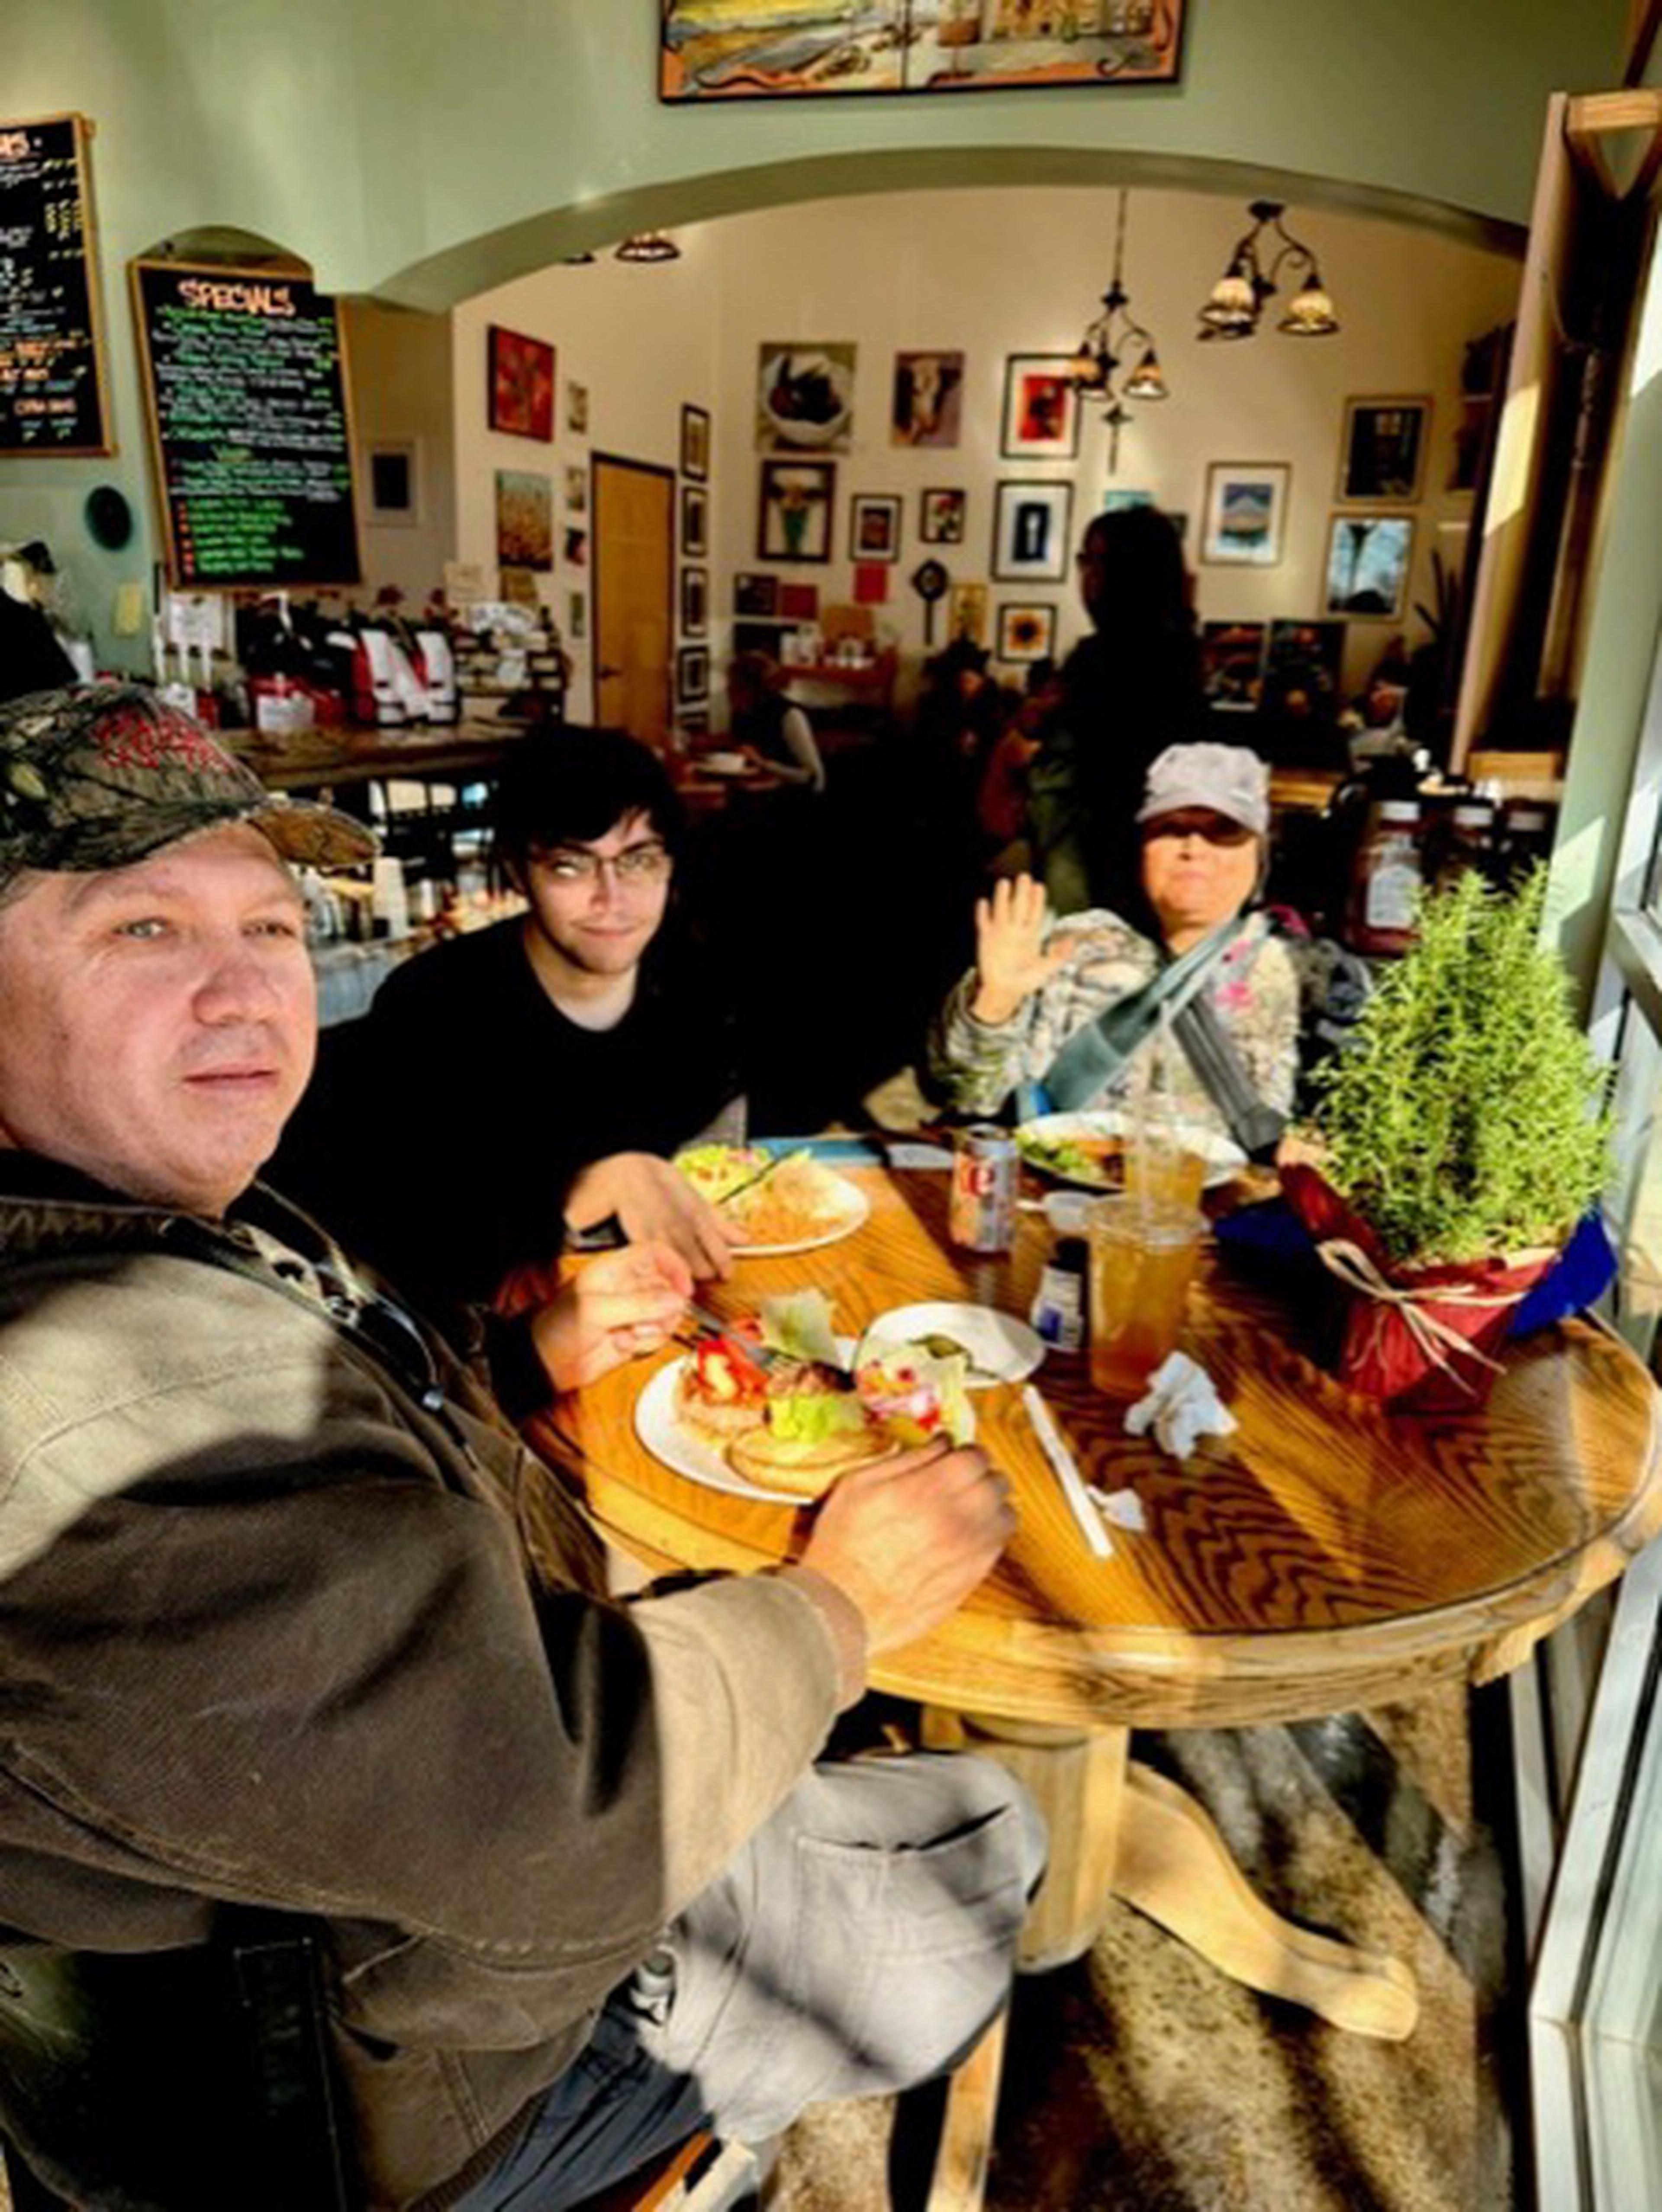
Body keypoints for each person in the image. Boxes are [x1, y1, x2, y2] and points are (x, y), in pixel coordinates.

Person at [0, 683, 1041, 2212]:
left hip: (388, 1890)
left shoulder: (145, 1222)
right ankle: (704, 2143)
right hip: (403, 2107)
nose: (247, 990)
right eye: (142, 931)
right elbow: (558, 1823)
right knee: (989, 1835)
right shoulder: (100, 1414)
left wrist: (524, 1353)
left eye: (272, 927)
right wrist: (842, 1610)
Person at [274, 728, 750, 1347]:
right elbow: (395, 1238)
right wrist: (574, 1197)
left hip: (674, 1314)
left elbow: (718, 1154)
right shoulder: (435, 1006)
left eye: (638, 859)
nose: (613, 898)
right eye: (570, 865)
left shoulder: (697, 986)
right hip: (503, 1355)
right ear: (520, 872)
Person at [930, 741, 1366, 1157]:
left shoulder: (1314, 974)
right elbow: (972, 1098)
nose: (1194, 848)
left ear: (1261, 853)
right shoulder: (1075, 948)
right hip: (1067, 1206)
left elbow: (1371, 1123)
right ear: (1141, 848)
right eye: (1171, 828)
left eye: (1224, 831)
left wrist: (1323, 1145)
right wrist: (993, 1005)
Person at [1027, 506, 1204, 916]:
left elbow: (1086, 776)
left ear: (1137, 571)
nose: (1087, 579)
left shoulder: (1117, 660)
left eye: (1100, 563)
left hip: (1100, 852)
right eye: (1084, 561)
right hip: (1126, 854)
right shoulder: (1180, 653)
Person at [724, 650, 826, 790]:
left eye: (735, 685)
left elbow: (814, 778)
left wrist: (764, 764)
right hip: (753, 794)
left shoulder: (790, 716)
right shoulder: (743, 713)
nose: (728, 690)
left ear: (754, 689)